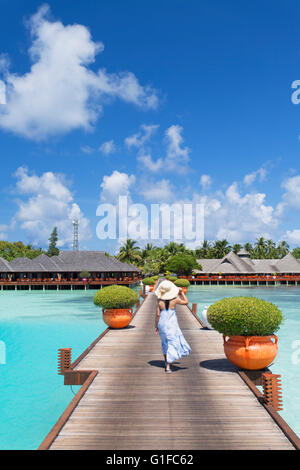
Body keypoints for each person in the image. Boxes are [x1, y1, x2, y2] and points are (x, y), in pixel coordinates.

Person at [155, 280, 191, 373]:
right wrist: (182, 293)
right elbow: (186, 302)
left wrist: (156, 326)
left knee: (164, 343)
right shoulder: (175, 299)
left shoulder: (159, 300)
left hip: (162, 323)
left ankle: (166, 361)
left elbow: (158, 314)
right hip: (171, 324)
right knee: (171, 342)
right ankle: (168, 366)